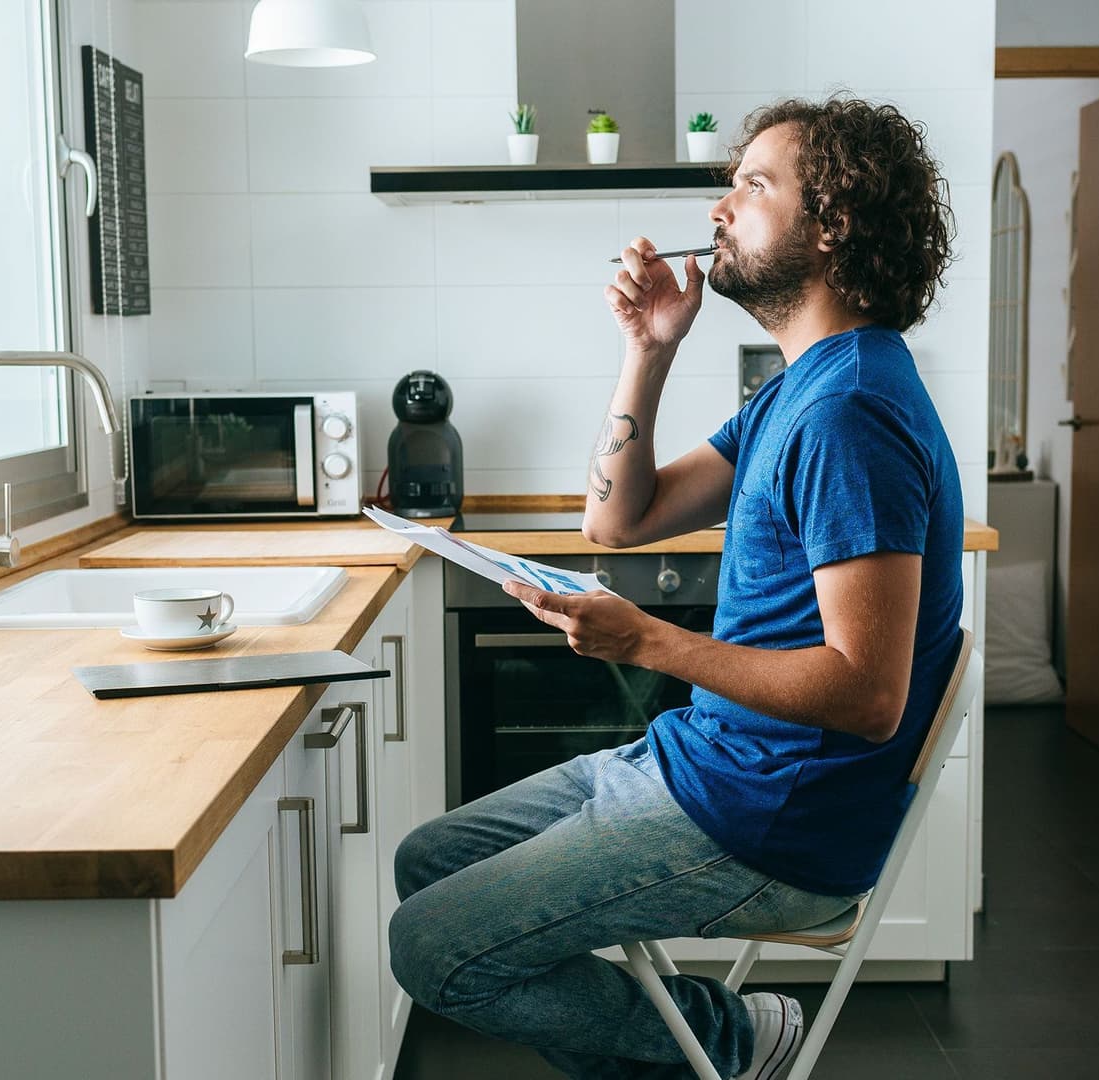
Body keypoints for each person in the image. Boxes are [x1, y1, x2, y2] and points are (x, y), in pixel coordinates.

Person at [389, 95, 963, 1080]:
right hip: (704, 764)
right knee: (428, 862)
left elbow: (871, 698)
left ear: (833, 225)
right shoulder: (801, 389)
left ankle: (726, 1042)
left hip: (769, 819)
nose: (719, 209)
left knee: (429, 947)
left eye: (753, 185)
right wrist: (648, 349)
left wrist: (646, 640)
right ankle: (708, 1038)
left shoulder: (850, 413)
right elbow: (618, 520)